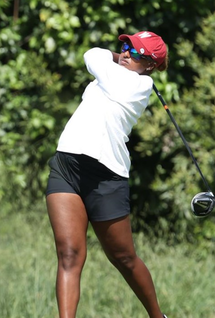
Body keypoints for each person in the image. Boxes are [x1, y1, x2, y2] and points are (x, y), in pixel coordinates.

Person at [45, 31, 169, 318]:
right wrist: (124, 58)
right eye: (125, 47)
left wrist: (115, 58)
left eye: (135, 52)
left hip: (106, 177)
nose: (125, 53)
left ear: (150, 65)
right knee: (69, 255)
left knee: (123, 257)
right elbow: (99, 57)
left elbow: (92, 54)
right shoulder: (111, 76)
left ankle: (157, 316)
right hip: (67, 165)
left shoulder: (139, 83)